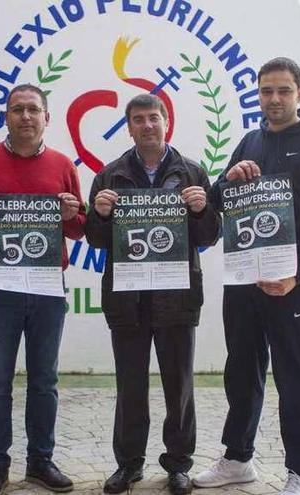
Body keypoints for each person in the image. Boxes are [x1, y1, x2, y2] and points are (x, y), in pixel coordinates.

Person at [193, 57, 300, 495]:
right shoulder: (248, 141)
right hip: (243, 282)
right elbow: (219, 203)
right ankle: (238, 459)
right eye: (266, 91)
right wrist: (227, 180)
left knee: (297, 376)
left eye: (283, 90)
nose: (274, 99)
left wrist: (295, 274)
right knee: (241, 371)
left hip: (291, 285)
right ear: (257, 94)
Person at [0, 84, 86, 494]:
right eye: (17, 110)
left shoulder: (64, 164)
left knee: (44, 380)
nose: (25, 116)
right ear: (5, 116)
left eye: (33, 109)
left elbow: (80, 228)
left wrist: (70, 216)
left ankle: (40, 462)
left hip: (47, 288)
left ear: (46, 117)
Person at [85, 94, 220, 495]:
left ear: (167, 123)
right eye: (138, 119)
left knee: (179, 386)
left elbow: (210, 235)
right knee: (130, 386)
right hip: (127, 299)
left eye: (153, 118)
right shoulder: (109, 176)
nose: (147, 125)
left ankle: (178, 465)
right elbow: (94, 239)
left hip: (177, 296)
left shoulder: (193, 172)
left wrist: (200, 211)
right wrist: (101, 214)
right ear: (128, 127)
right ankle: (128, 465)